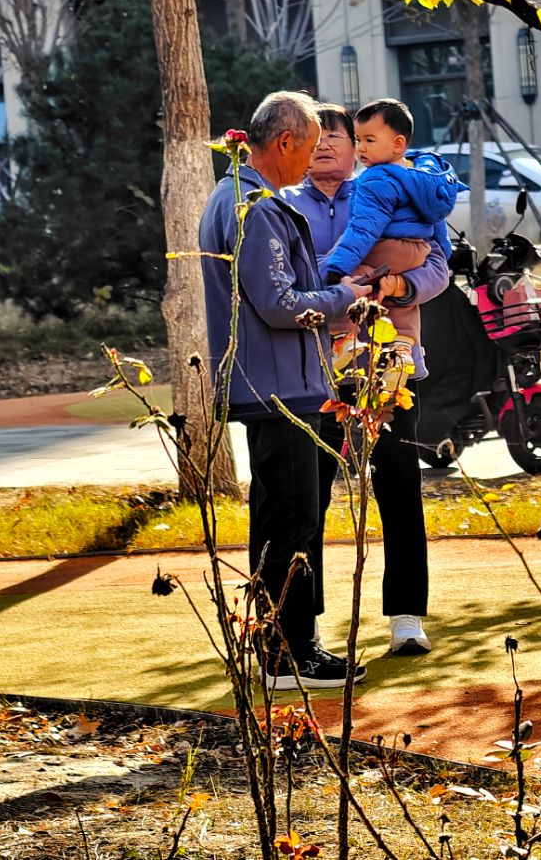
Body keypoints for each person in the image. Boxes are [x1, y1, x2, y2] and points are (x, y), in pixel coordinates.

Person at [198, 91, 373, 690]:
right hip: (281, 387)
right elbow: (278, 304)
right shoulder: (256, 206)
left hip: (273, 382)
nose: (315, 157)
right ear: (285, 142)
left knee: (281, 518)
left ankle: (283, 647)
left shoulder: (236, 197)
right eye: (312, 143)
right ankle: (289, 654)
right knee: (292, 520)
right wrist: (343, 297)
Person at [283, 102, 451, 656]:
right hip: (314, 370)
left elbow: (439, 266)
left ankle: (406, 617)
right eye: (317, 137)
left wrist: (398, 287)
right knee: (309, 496)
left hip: (391, 363)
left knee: (400, 486)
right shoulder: (282, 207)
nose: (327, 145)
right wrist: (337, 286)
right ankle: (304, 624)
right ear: (298, 146)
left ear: (357, 146)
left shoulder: (389, 186)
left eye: (337, 136)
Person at [320, 99, 460, 371]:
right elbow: (438, 228)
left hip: (384, 249)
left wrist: (336, 269)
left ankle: (343, 338)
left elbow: (363, 229)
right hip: (415, 252)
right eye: (359, 140)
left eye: (367, 140)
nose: (361, 148)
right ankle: (403, 348)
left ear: (397, 144)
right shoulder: (424, 180)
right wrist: (442, 251)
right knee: (402, 308)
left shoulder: (374, 179)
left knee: (354, 278)